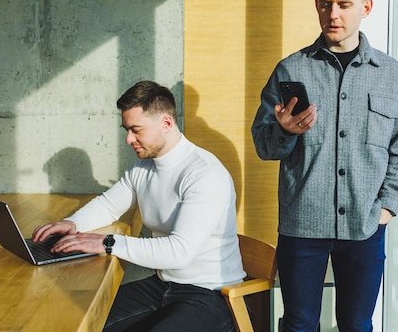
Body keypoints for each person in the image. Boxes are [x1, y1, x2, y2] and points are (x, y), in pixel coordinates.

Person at [251, 0, 398, 332]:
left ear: (366, 7)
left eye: (344, 4)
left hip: (365, 225)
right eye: (326, 4)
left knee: (357, 325)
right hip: (301, 225)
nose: (333, 14)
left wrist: (386, 208)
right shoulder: (290, 69)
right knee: (298, 323)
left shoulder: (390, 73)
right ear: (316, 6)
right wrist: (285, 131)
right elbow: (264, 145)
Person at [33, 80, 245, 332]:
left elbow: (180, 252)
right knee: (78, 320)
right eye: (126, 130)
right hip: (163, 284)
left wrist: (107, 243)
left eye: (136, 130)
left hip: (209, 294)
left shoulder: (204, 174)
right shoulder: (143, 168)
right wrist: (73, 223)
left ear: (166, 124)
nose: (128, 139)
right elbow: (108, 205)